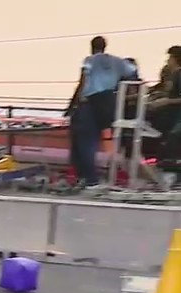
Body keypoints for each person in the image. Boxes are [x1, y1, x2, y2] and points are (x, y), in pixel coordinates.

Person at [67, 36, 136, 188]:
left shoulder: (90, 60)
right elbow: (133, 71)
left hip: (91, 102)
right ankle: (94, 177)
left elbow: (83, 82)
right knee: (102, 138)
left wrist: (72, 105)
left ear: (92, 46)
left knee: (85, 140)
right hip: (109, 103)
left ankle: (89, 178)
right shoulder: (116, 61)